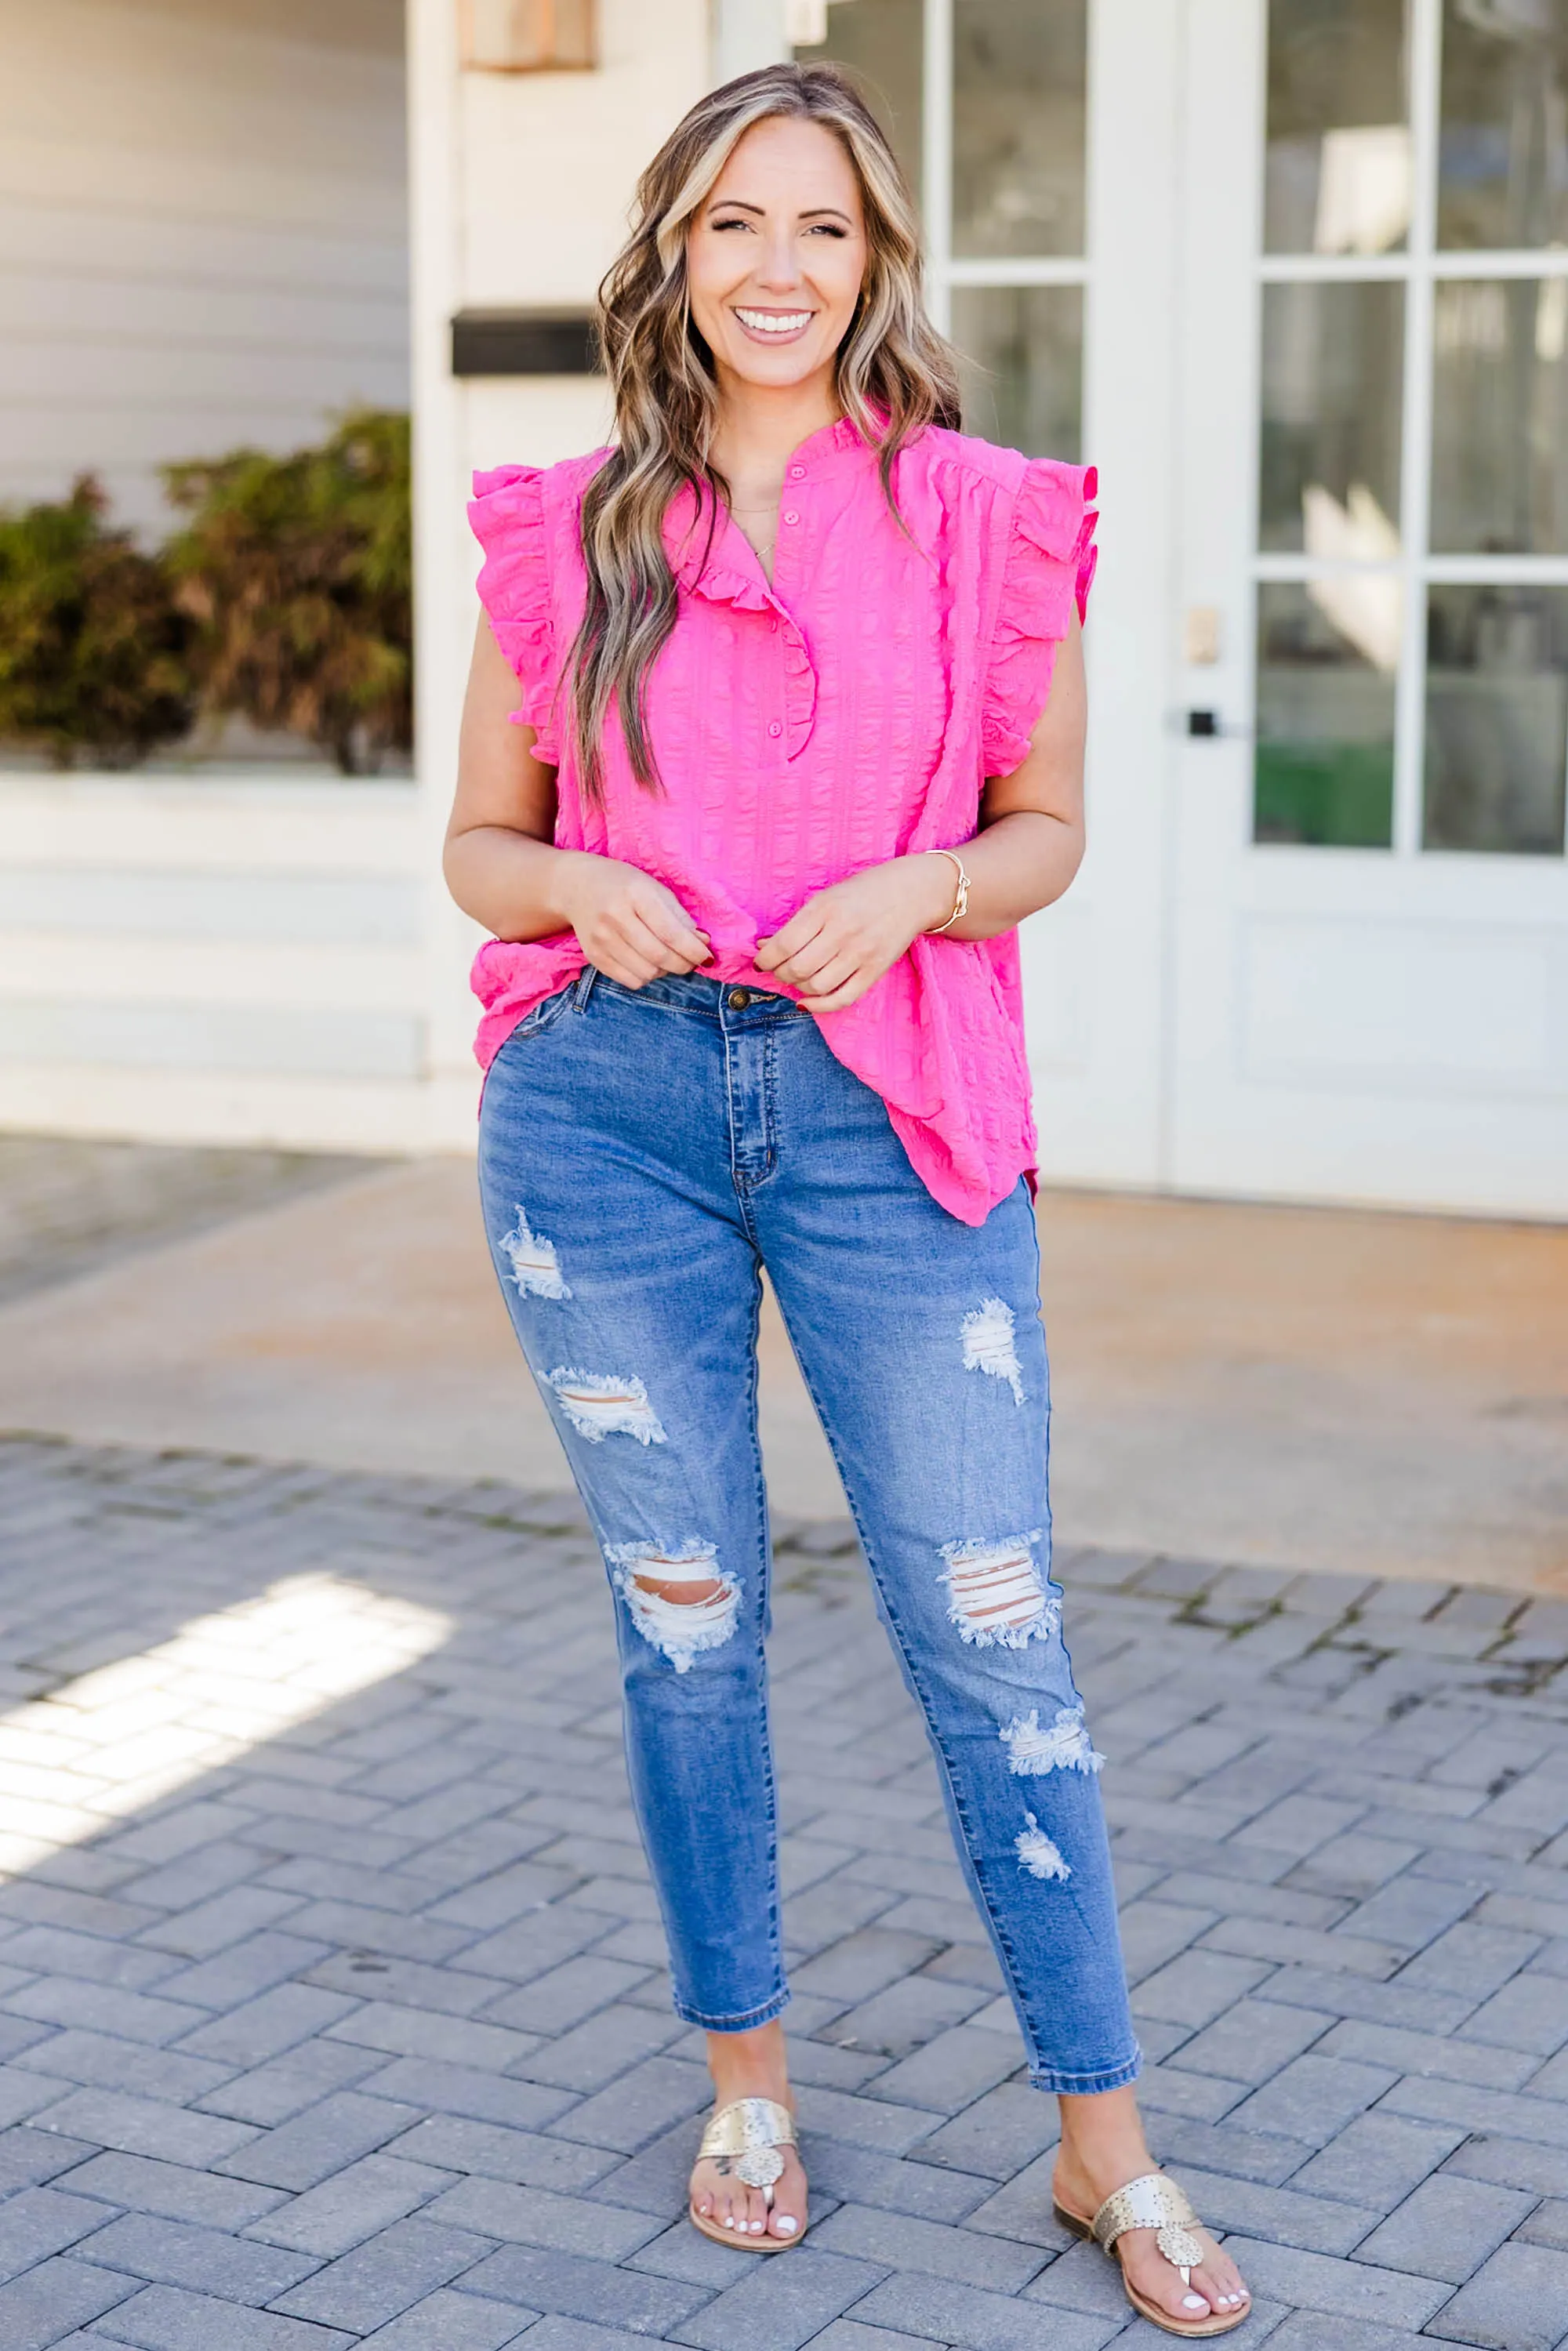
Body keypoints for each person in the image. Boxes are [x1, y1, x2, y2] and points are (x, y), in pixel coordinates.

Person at [445, 60, 1251, 2338]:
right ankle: (747, 2092)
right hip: (603, 1119)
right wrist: (573, 884)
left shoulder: (989, 517)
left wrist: (922, 887)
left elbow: (1047, 824)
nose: (776, 267)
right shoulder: (570, 530)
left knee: (991, 1620)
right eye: (732, 223)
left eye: (820, 224)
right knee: (689, 1614)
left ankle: (1104, 2139)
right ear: (673, 256)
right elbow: (479, 848)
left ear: (880, 256)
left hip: (899, 1115)